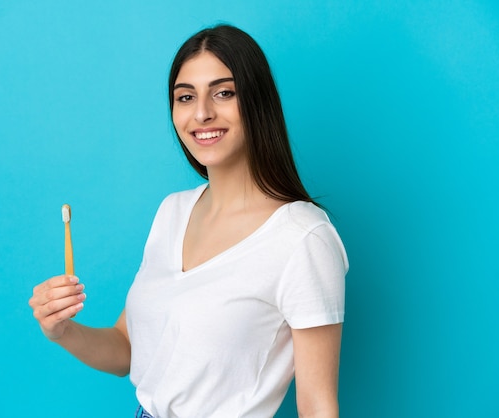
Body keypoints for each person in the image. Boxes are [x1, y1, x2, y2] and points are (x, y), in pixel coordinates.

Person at [29, 24, 348, 418]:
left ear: (257, 102)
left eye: (224, 93)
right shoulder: (172, 211)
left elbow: (317, 406)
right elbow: (128, 349)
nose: (201, 113)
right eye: (185, 97)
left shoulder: (303, 238)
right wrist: (62, 331)